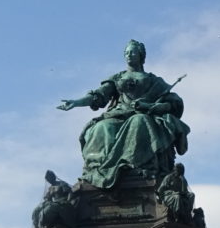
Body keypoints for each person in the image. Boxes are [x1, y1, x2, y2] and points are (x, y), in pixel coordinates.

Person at [56, 39, 190, 189]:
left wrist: (151, 106)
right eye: (126, 53)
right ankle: (100, 169)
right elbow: (98, 96)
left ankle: (136, 167)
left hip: (143, 115)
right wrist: (76, 102)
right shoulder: (117, 78)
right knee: (101, 128)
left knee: (139, 121)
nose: (129, 55)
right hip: (118, 115)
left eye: (132, 52)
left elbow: (172, 102)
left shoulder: (154, 81)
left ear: (141, 55)